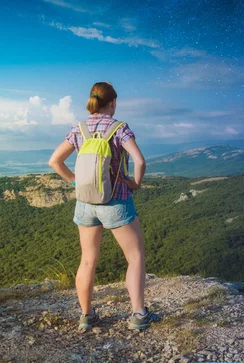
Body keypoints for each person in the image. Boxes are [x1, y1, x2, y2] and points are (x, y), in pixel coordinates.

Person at [48, 82, 160, 330]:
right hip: (116, 200)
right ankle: (139, 315)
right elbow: (140, 161)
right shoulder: (119, 128)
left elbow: (55, 161)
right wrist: (135, 183)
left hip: (85, 202)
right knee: (135, 256)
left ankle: (87, 316)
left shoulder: (78, 129)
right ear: (113, 103)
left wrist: (74, 181)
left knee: (87, 260)